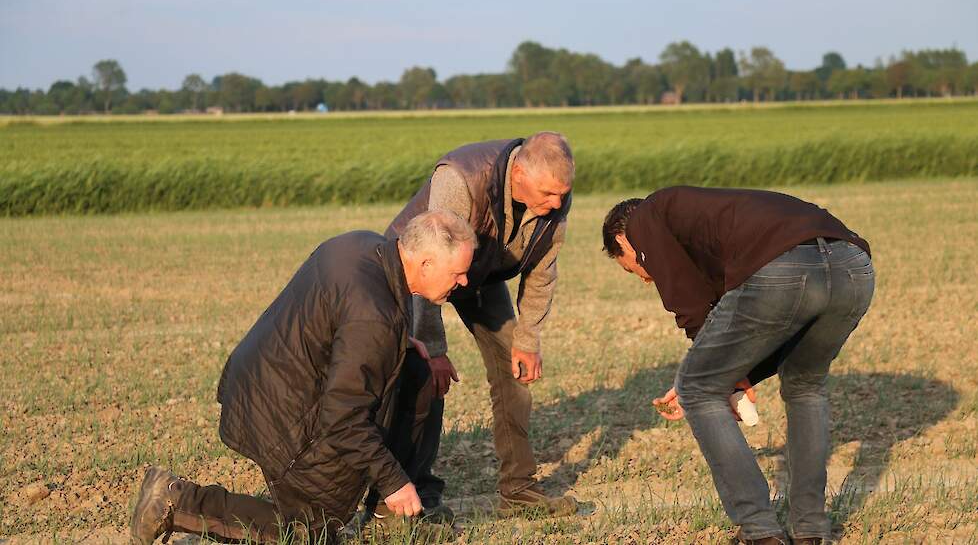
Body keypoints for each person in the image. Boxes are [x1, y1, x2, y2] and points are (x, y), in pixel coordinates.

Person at [129, 210, 476, 544]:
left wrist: (399, 342)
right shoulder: (374, 319)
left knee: (416, 371)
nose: (464, 282)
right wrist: (393, 481)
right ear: (425, 264)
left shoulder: (363, 245)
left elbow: (340, 323)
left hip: (269, 377)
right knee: (311, 532)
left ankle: (387, 521)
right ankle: (178, 501)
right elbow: (343, 420)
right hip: (279, 412)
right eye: (458, 273)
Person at [601, 186, 875, 545]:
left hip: (784, 265)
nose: (645, 277)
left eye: (633, 267)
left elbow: (689, 301)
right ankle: (810, 530)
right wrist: (728, 373)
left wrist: (705, 377)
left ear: (625, 239)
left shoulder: (644, 218)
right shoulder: (710, 223)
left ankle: (760, 531)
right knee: (805, 386)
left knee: (697, 390)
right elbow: (743, 323)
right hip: (853, 267)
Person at [363, 132, 577, 521]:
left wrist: (527, 339)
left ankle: (519, 489)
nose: (557, 204)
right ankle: (410, 494)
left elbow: (542, 271)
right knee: (421, 375)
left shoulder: (554, 198)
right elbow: (433, 259)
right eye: (549, 194)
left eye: (563, 194)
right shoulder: (461, 178)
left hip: (479, 275)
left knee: (514, 366)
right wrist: (434, 350)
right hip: (417, 273)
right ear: (519, 173)